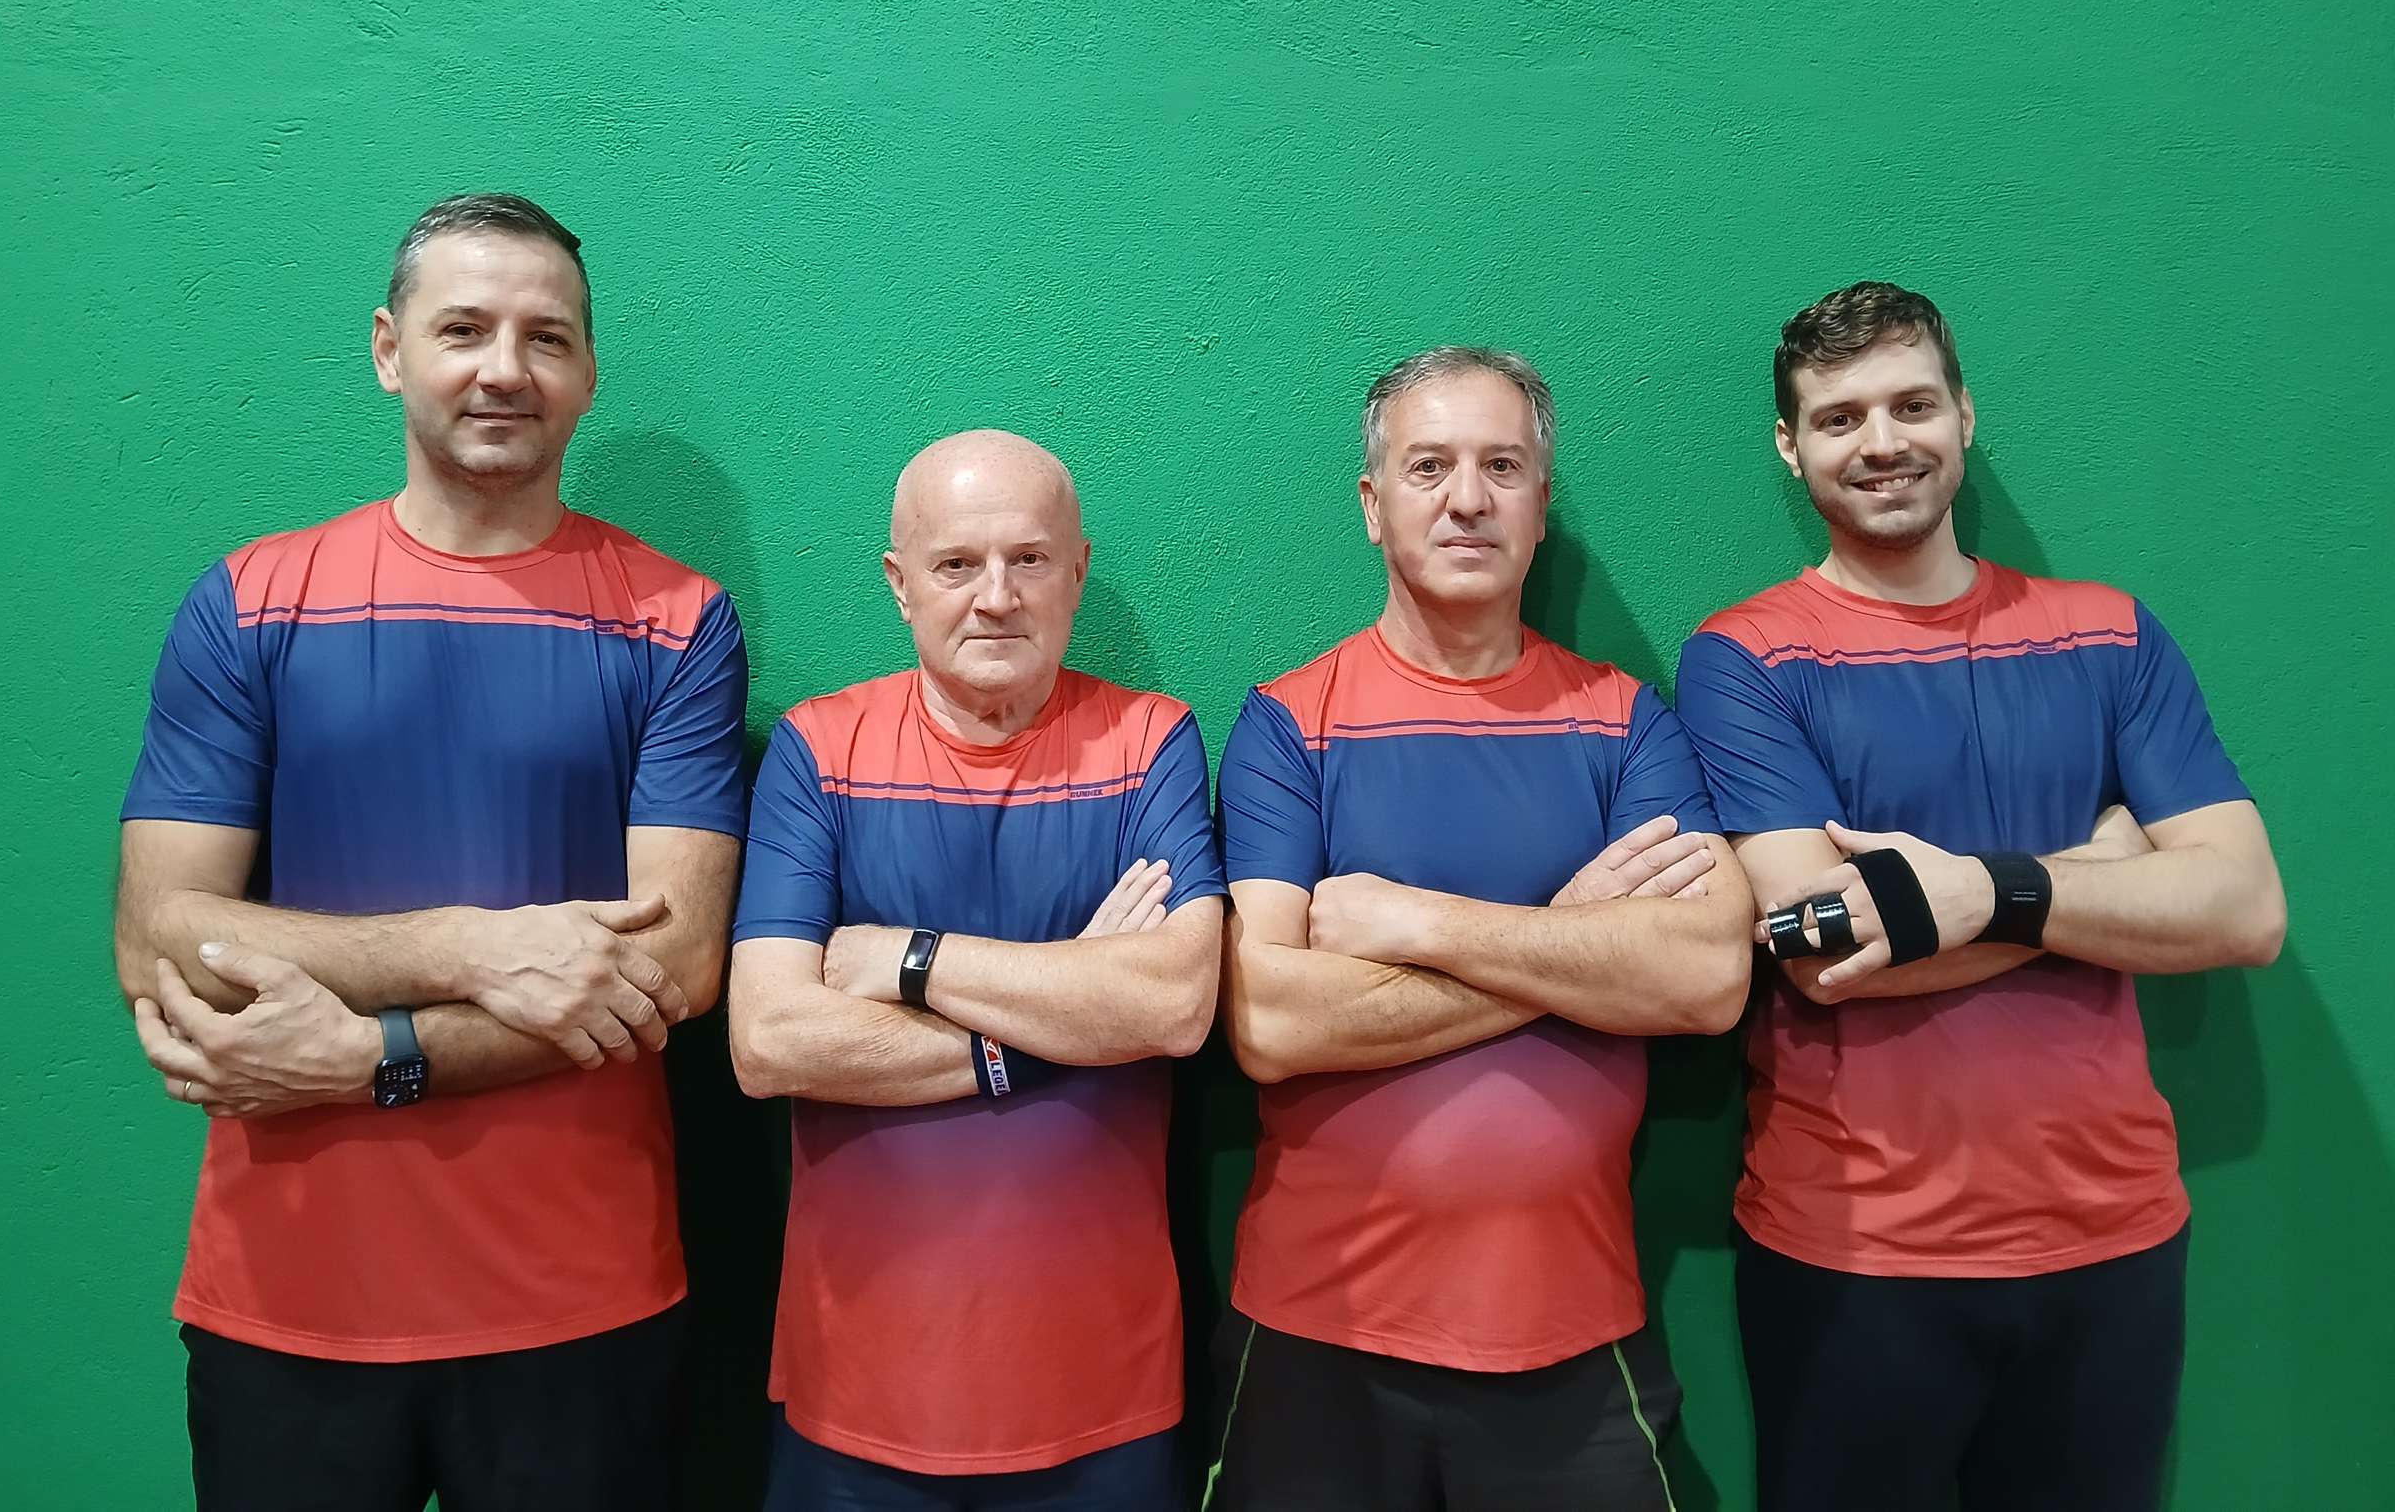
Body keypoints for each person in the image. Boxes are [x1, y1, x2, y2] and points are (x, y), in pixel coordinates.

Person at [116, 193, 749, 1511]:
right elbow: (164, 936)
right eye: (464, 329)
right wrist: (470, 948)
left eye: (546, 337)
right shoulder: (250, 604)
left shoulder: (679, 623)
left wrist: (373, 1058)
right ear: (389, 349)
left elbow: (675, 970)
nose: (504, 368)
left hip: (581, 1306)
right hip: (287, 1301)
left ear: (587, 374)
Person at [1674, 281, 2286, 1512]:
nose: (1882, 441)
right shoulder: (1744, 659)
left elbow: (2244, 912)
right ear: (1790, 447)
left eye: (1912, 405)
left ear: (1966, 415)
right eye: (1839, 417)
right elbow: (1815, 942)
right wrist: (2104, 877)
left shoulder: (2108, 634)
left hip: (2112, 1239)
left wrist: (1977, 894)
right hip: (1854, 1253)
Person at [1208, 345, 1754, 1512]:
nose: (1467, 497)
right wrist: (1574, 941)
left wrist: (1417, 920)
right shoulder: (1289, 725)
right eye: (1429, 466)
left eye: (1502, 466)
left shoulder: (1624, 721)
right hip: (1316, 1334)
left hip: (1574, 1335)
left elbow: (1709, 977)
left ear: (1541, 506)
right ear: (1373, 505)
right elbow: (1270, 1023)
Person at [730, 428, 1223, 1512]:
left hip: (1106, 1395)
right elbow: (770, 1043)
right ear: (900, 583)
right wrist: (1067, 1014)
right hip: (858, 1388)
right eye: (957, 564)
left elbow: (1176, 1004)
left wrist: (908, 958)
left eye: (1029, 559)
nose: (996, 597)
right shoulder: (819, 751)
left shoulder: (1152, 742)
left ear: (1077, 572)